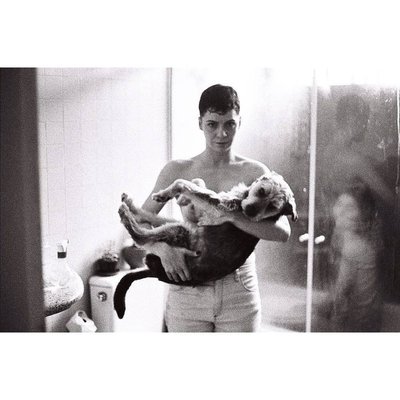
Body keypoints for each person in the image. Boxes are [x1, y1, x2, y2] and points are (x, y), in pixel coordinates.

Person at [140, 84, 291, 332]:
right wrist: (163, 250)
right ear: (200, 123)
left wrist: (231, 216)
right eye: (212, 124)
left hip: (238, 289)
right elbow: (141, 220)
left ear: (239, 122)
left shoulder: (255, 173)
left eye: (230, 124)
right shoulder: (178, 170)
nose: (222, 133)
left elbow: (283, 232)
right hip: (188, 290)